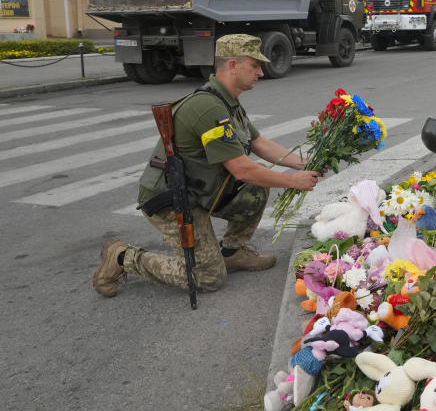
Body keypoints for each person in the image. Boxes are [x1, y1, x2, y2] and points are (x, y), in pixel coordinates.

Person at [93, 34, 324, 298]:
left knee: (255, 191)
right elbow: (242, 169)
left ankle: (232, 253)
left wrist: (306, 164)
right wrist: (295, 181)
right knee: (208, 278)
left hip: (200, 190)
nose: (261, 71)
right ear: (232, 65)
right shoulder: (208, 106)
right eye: (255, 65)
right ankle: (122, 256)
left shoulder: (227, 101)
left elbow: (259, 144)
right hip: (170, 202)